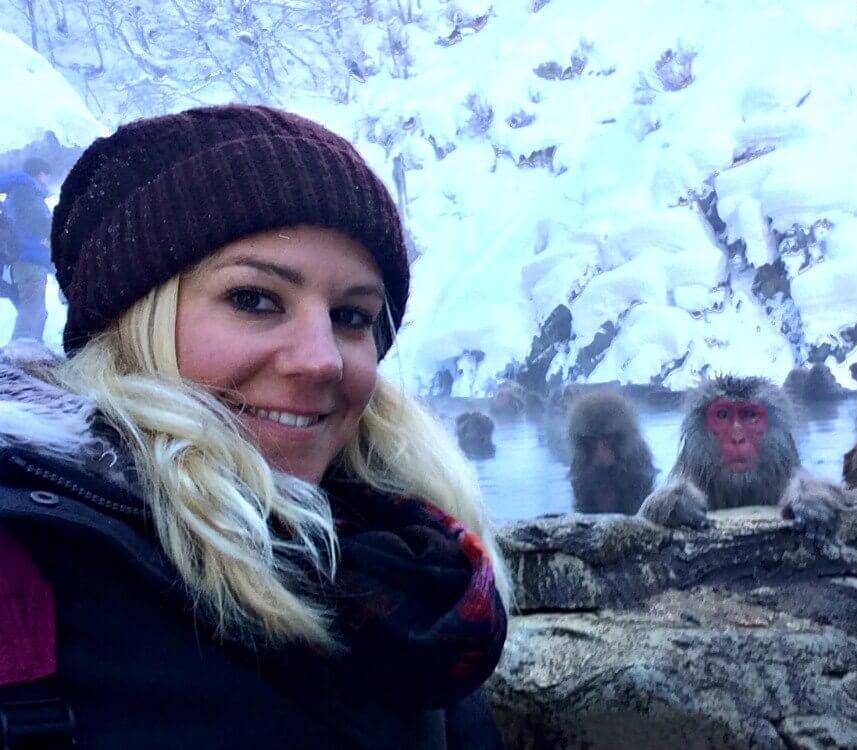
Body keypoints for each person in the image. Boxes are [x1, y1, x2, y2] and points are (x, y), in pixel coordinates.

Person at [0, 105, 510, 749]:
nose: (322, 358)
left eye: (352, 316)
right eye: (254, 299)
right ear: (132, 324)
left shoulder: (416, 579)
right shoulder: (28, 562)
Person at [0, 157, 53, 341]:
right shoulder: (27, 191)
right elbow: (39, 223)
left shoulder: (19, 192)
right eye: (47, 174)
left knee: (36, 312)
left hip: (21, 260)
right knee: (32, 310)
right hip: (29, 260)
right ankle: (21, 354)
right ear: (40, 173)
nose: (47, 179)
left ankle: (32, 350)